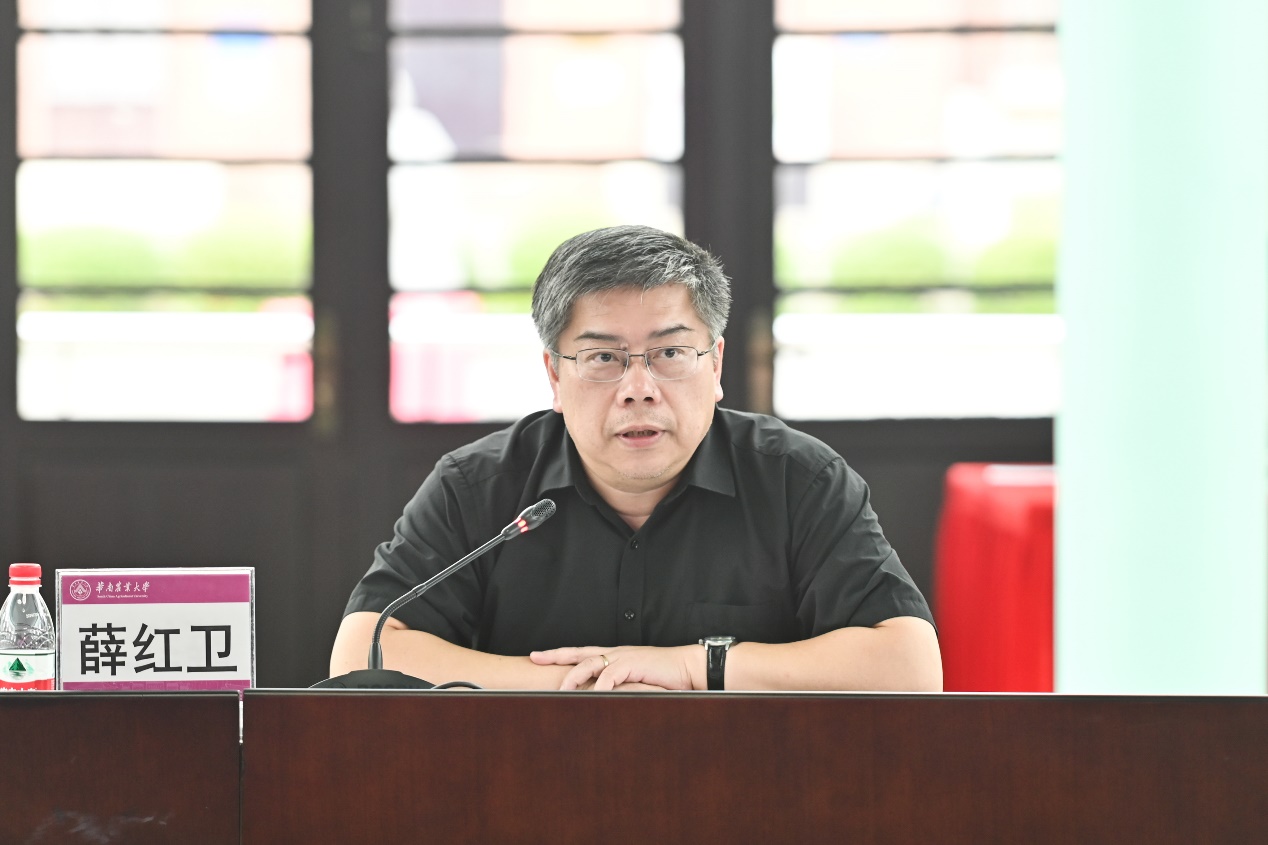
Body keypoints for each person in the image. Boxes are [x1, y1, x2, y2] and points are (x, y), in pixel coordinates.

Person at [330, 225, 941, 692]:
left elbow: (909, 665)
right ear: (554, 375)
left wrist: (693, 667)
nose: (639, 389)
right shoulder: (478, 486)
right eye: (604, 358)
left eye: (670, 353)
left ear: (716, 364)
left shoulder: (797, 480)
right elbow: (362, 653)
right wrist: (580, 683)